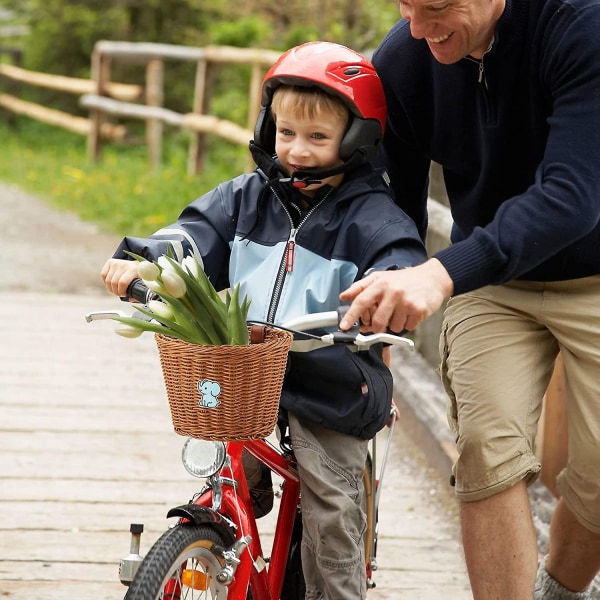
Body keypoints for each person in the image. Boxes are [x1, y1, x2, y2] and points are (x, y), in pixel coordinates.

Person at [101, 41, 427, 600]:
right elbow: (191, 235)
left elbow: (400, 261)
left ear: (358, 141)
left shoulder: (372, 217)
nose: (297, 151)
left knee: (330, 514)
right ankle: (215, 539)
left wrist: (389, 293)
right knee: (225, 475)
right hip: (245, 376)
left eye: (318, 138)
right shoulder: (246, 199)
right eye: (285, 133)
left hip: (331, 382)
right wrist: (148, 260)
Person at [337, 0, 600, 598]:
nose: (418, 27)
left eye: (437, 8)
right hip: (492, 289)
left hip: (593, 275)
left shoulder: (581, 26)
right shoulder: (405, 57)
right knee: (488, 449)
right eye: (406, 5)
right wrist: (381, 328)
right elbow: (391, 212)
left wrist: (439, 274)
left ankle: (557, 590)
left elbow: (572, 197)